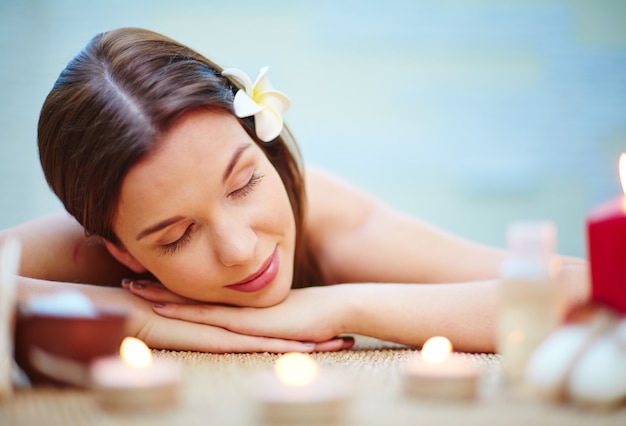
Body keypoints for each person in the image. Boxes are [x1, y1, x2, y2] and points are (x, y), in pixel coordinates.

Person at [1, 27, 588, 354]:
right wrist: (141, 319)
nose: (239, 248)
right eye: (178, 236)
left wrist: (341, 304)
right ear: (122, 251)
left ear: (267, 149)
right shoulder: (97, 242)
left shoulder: (331, 222)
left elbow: (582, 292)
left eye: (245, 182)